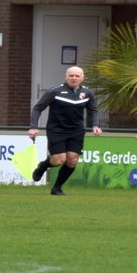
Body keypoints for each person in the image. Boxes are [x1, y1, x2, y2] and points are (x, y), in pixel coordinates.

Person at [28, 66, 102, 195]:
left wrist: (95, 125)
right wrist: (33, 126)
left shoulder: (87, 93)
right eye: (71, 75)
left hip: (77, 131)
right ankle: (43, 166)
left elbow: (93, 110)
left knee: (72, 160)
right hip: (57, 130)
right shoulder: (55, 91)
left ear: (82, 78)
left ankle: (57, 188)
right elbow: (38, 108)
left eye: (77, 76)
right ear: (66, 77)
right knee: (59, 160)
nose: (74, 78)